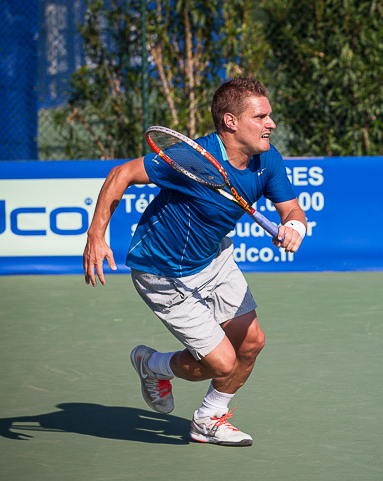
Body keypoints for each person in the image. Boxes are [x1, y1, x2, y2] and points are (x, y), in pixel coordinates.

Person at [83, 77, 307, 447]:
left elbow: (292, 209)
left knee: (251, 344)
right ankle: (151, 365)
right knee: (220, 364)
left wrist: (294, 226)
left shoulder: (268, 158)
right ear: (231, 121)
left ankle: (208, 420)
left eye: (270, 116)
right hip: (163, 271)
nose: (272, 124)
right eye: (261, 116)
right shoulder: (190, 157)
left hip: (214, 260)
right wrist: (96, 236)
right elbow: (121, 174)